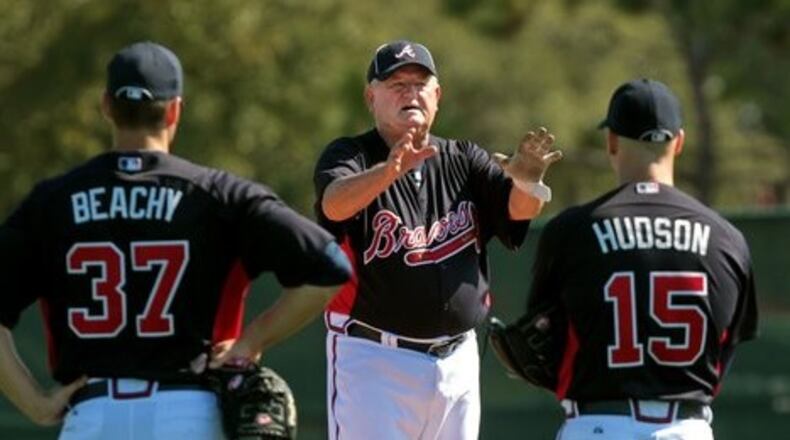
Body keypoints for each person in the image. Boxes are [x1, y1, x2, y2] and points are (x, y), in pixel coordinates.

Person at [0, 41, 351, 440]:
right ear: (174, 110)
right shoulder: (218, 194)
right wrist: (250, 342)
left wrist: (37, 404)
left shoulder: (52, 202)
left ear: (106, 106)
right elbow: (330, 266)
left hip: (92, 413)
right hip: (188, 412)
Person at [313, 39, 562, 440]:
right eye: (396, 84)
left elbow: (517, 213)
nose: (410, 93)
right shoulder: (351, 156)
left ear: (437, 96)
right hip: (374, 360)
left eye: (420, 83)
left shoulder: (464, 158)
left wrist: (528, 182)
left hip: (458, 360)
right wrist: (387, 172)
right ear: (370, 96)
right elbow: (334, 205)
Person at [517, 78, 758, 439]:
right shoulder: (727, 239)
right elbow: (726, 347)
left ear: (611, 141)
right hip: (685, 427)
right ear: (679, 142)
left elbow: (544, 339)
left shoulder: (572, 231)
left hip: (598, 425)